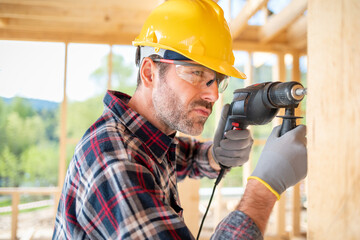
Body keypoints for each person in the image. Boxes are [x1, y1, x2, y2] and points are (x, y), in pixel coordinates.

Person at [52, 0, 307, 239]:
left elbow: (178, 157)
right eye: (196, 73)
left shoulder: (145, 138)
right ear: (149, 73)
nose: (214, 94)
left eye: (217, 80)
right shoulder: (115, 160)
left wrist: (215, 156)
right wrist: (264, 188)